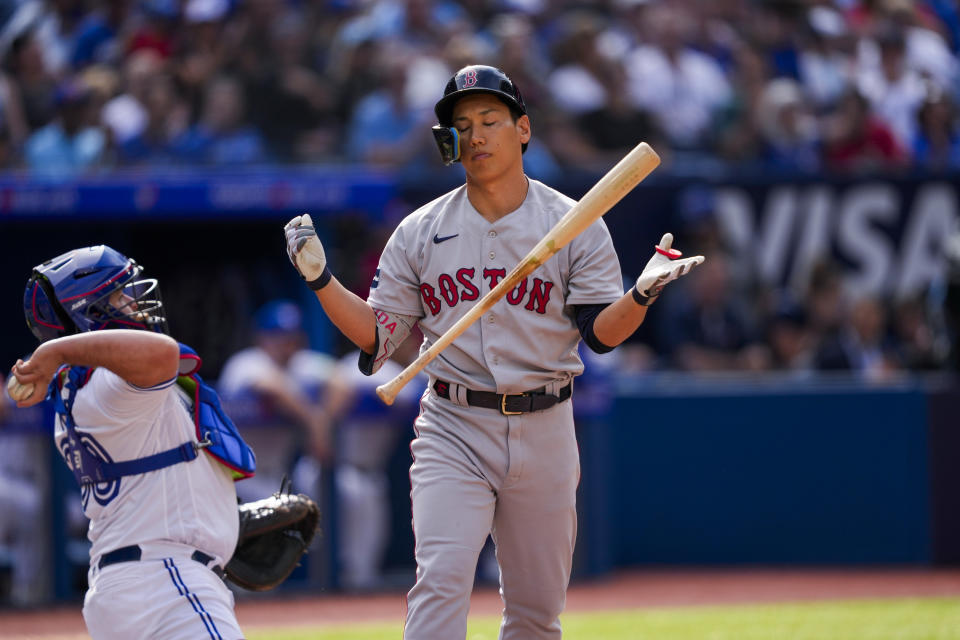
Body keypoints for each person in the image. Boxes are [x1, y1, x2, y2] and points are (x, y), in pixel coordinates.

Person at [283, 64, 704, 639]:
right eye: (463, 125)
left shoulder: (572, 221)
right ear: (449, 141)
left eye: (490, 120)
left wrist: (641, 294)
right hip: (453, 423)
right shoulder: (419, 231)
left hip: (547, 422)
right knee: (440, 584)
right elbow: (378, 336)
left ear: (523, 129)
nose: (476, 135)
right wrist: (323, 281)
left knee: (535, 612)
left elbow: (602, 333)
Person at [7, 245, 255, 639]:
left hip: (138, 582)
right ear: (86, 314)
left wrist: (226, 524)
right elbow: (164, 355)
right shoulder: (106, 386)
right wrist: (58, 349)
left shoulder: (82, 390)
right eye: (119, 297)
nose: (134, 304)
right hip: (165, 581)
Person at [218, 298, 335, 501]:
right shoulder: (246, 362)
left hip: (275, 475)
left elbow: (339, 379)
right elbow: (270, 386)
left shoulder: (299, 363)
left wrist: (324, 420)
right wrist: (313, 420)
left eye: (292, 339)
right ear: (261, 337)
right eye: (278, 337)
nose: (286, 345)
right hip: (237, 477)